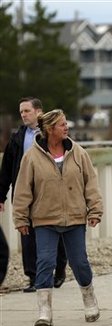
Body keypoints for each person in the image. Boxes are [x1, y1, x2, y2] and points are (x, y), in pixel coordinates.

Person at [13, 109, 103, 326]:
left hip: (74, 218)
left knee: (79, 262)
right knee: (45, 262)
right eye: (62, 124)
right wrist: (21, 218)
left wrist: (95, 210)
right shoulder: (32, 156)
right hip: (45, 219)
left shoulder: (78, 152)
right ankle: (45, 311)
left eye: (66, 123)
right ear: (50, 129)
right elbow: (23, 189)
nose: (67, 127)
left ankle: (89, 299)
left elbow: (90, 182)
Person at [0, 97, 67, 292]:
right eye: (21, 112)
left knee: (56, 231)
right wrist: (1, 195)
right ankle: (34, 278)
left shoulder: (53, 134)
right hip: (25, 192)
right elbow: (6, 168)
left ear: (38, 112)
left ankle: (60, 268)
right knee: (27, 234)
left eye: (27, 111)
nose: (23, 115)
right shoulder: (18, 137)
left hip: (50, 192)